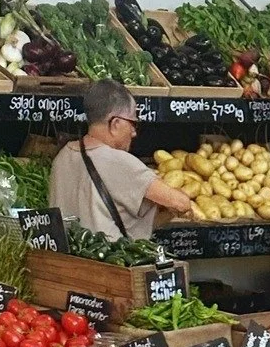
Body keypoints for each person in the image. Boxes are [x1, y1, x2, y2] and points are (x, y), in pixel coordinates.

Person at [48, 80, 193, 241]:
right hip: (107, 262)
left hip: (68, 260)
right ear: (115, 123)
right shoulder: (119, 161)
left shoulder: (63, 156)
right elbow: (180, 203)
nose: (134, 133)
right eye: (133, 124)